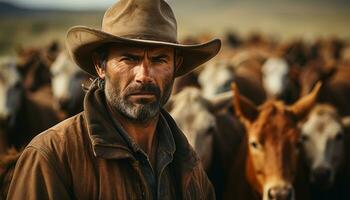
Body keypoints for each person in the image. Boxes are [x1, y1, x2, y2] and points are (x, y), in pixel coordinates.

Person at [6, 0, 221, 199]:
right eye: (129, 58)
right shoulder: (52, 157)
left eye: (159, 60)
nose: (144, 75)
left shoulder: (188, 162)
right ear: (100, 66)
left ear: (176, 67)